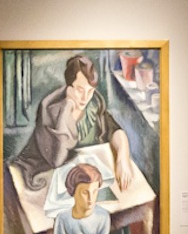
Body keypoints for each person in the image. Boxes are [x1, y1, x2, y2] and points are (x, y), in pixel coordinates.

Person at [12, 53, 134, 192]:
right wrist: (67, 108)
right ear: (69, 87)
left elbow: (115, 130)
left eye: (90, 91)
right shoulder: (51, 110)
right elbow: (57, 159)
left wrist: (122, 159)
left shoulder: (94, 103)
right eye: (80, 90)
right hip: (50, 175)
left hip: (86, 174)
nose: (85, 98)